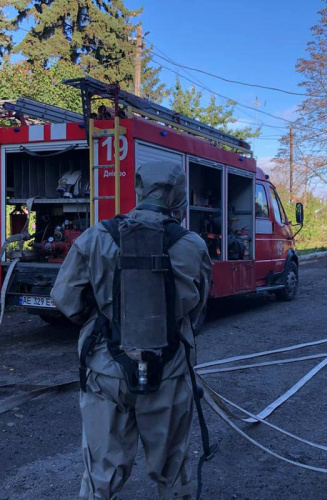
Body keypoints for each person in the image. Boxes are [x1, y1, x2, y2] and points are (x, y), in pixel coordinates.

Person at [51, 161, 212, 499]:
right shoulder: (193, 246)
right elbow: (197, 311)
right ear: (178, 194)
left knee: (100, 474)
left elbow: (65, 298)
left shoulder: (96, 236)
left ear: (138, 188)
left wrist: (102, 322)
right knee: (172, 468)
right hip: (167, 371)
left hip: (104, 372)